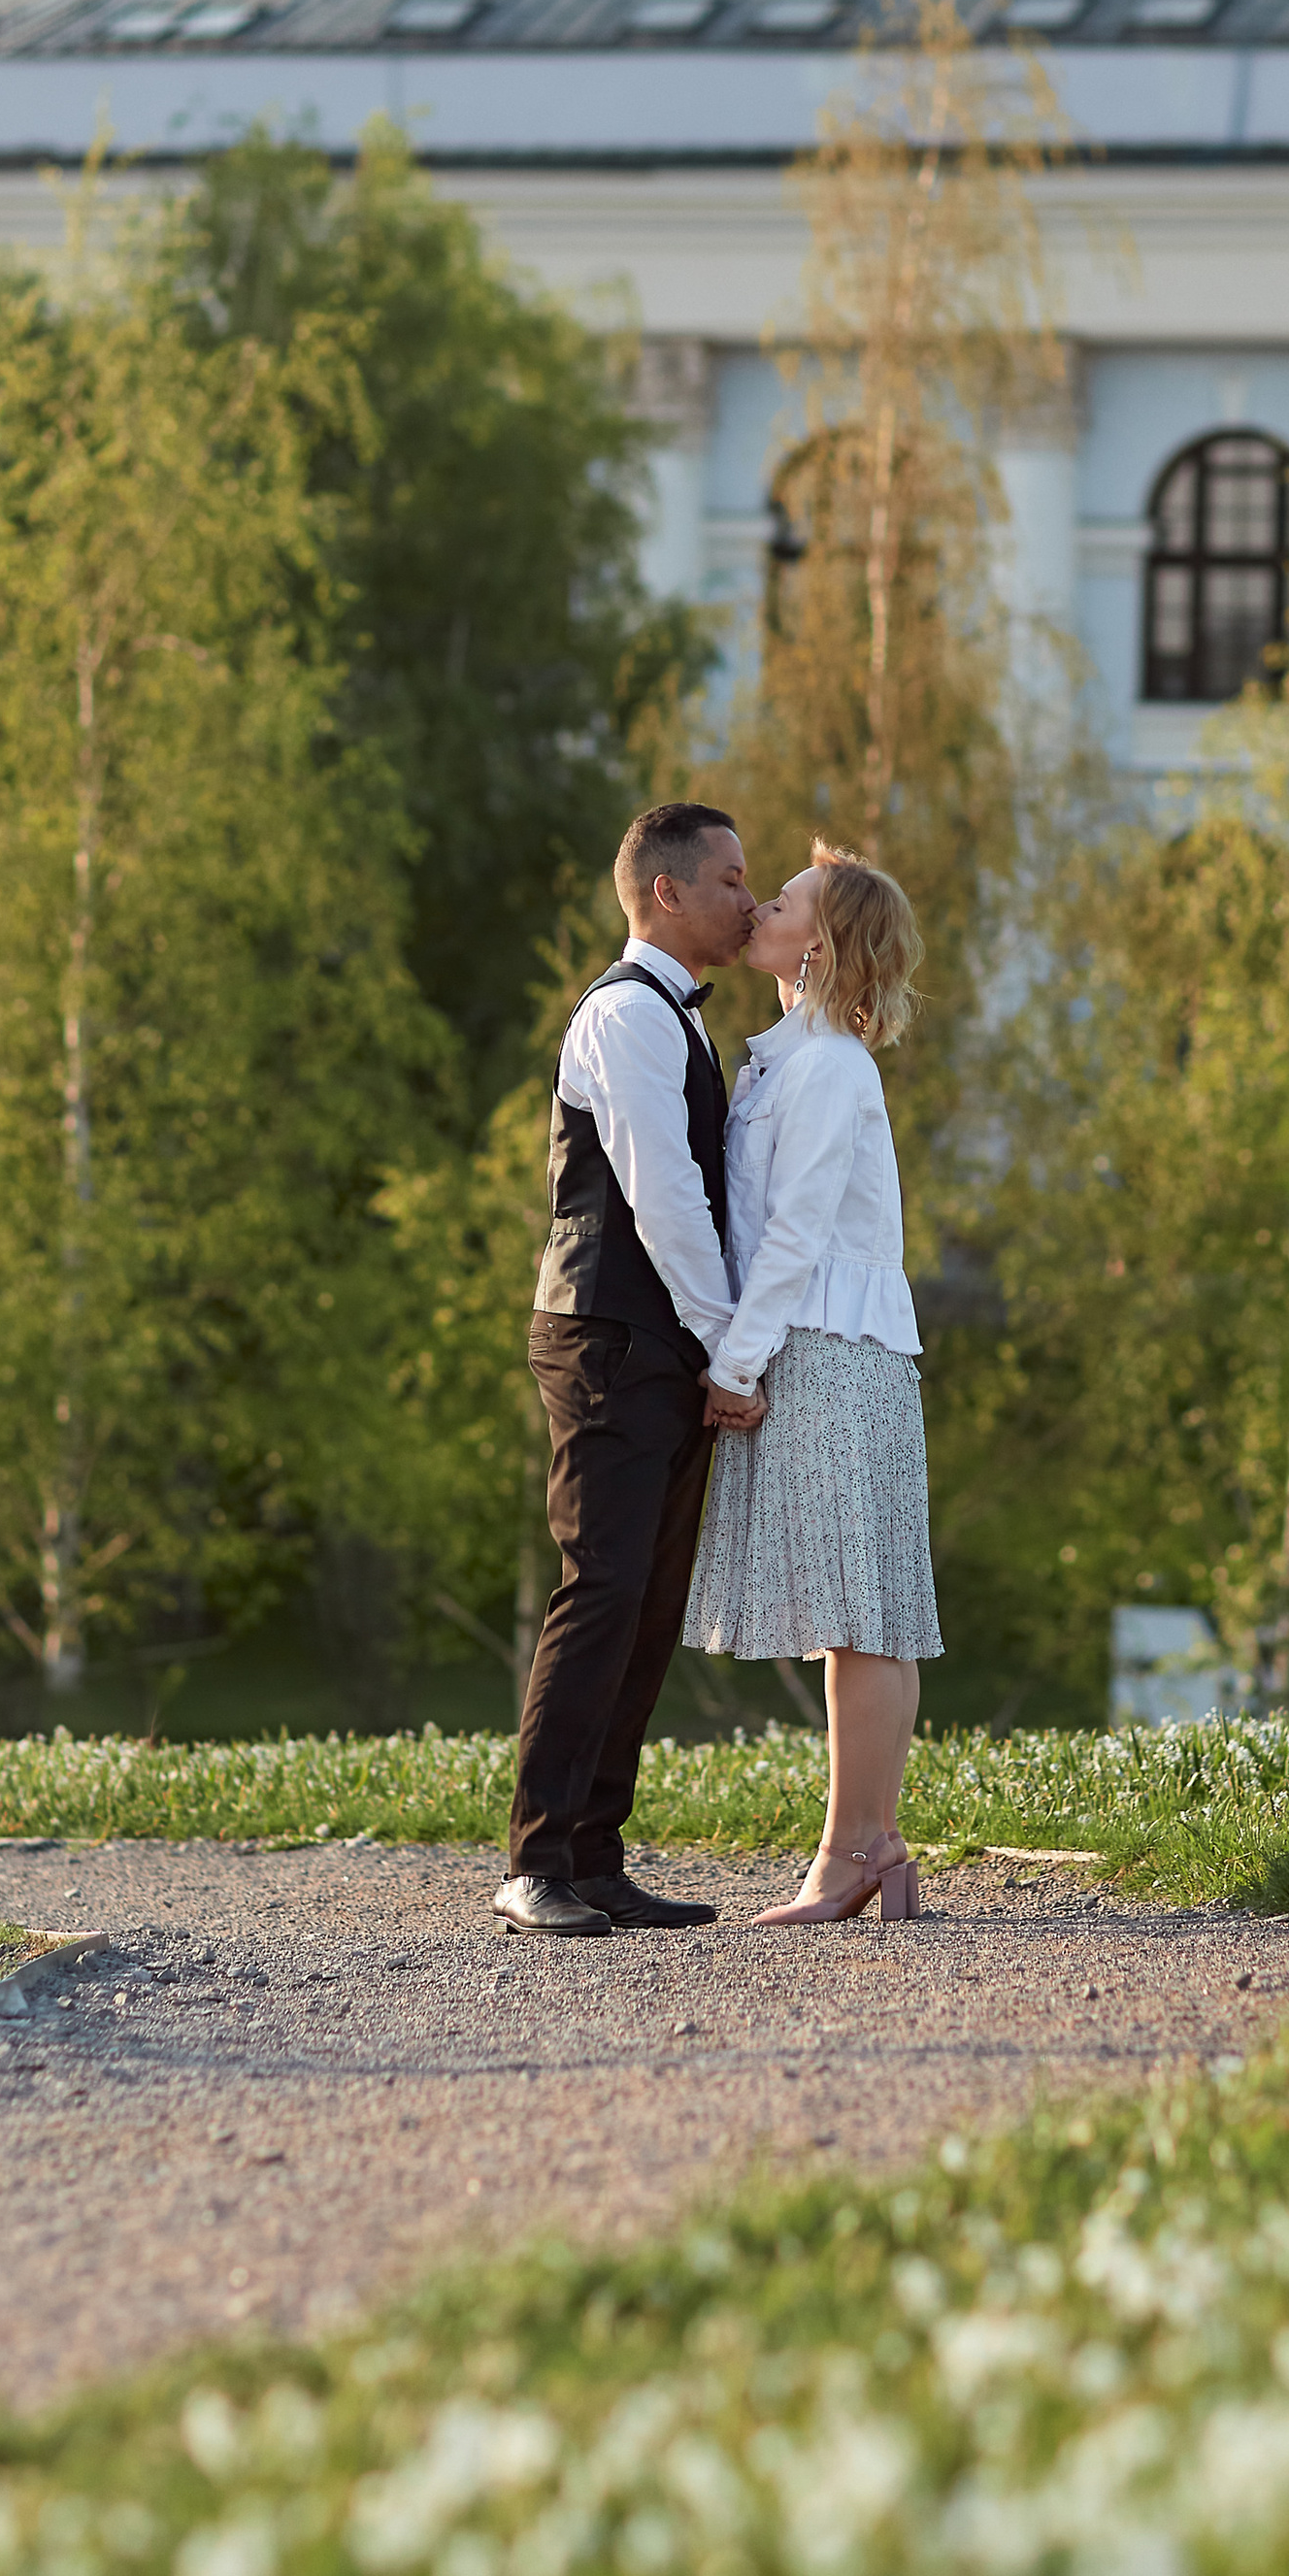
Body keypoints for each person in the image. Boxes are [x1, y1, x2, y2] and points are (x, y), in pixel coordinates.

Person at [496, 803, 765, 1940]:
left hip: (653, 1340)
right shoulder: (629, 1018)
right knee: (601, 1586)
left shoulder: (680, 1022)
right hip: (609, 1333)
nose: (748, 901)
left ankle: (595, 1856)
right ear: (666, 892)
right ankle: (533, 1861)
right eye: (731, 879)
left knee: (647, 1602)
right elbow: (664, 1199)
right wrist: (724, 1344)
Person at [686, 843, 942, 1922]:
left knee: (861, 1614)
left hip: (833, 1352)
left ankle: (852, 1852)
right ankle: (870, 1842)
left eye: (779, 902)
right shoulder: (794, 1056)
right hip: (831, 1348)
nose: (757, 908)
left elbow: (792, 1234)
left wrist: (733, 1362)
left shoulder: (831, 1064)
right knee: (864, 1612)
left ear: (818, 944)